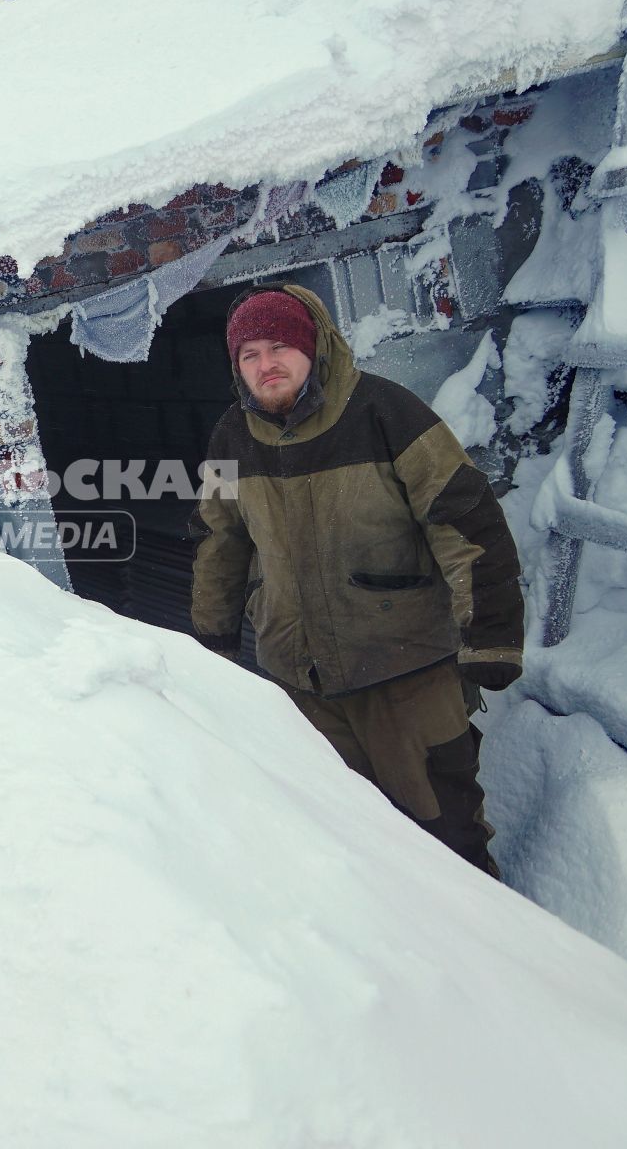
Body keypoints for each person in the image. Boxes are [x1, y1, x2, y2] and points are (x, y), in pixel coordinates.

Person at [188, 284, 523, 877]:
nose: (266, 365)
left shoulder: (385, 413)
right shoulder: (231, 439)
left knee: (447, 837)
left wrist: (490, 635)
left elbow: (466, 521)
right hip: (302, 687)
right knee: (350, 851)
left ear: (311, 346)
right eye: (249, 354)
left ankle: (503, 959)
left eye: (278, 346)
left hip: (406, 673)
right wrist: (212, 645)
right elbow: (221, 544)